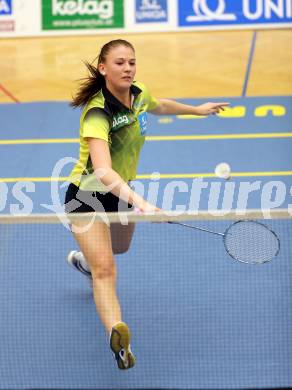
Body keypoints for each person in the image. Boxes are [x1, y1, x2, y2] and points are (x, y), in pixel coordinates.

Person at [64, 39, 229, 370]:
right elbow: (103, 170)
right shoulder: (97, 112)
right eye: (120, 63)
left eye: (132, 62)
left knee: (119, 249)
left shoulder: (138, 92)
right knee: (106, 269)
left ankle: (84, 261)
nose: (128, 68)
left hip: (121, 192)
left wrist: (195, 110)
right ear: (103, 68)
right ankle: (119, 341)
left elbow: (160, 105)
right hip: (87, 196)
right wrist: (142, 203)